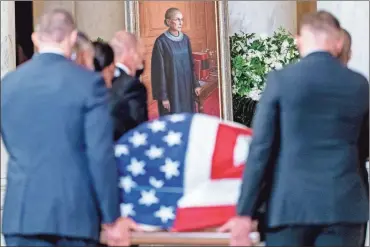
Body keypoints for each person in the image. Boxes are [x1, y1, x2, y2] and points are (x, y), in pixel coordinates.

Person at [219, 11, 369, 246]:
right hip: (343, 206)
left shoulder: (281, 80)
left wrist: (244, 213)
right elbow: (363, 149)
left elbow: (261, 150)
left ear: (299, 41)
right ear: (339, 42)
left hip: (289, 207)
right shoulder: (359, 85)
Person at [1, 8, 138, 246]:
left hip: (21, 217)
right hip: (74, 217)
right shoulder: (88, 83)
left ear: (35, 38)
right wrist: (111, 217)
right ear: (73, 38)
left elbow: (11, 141)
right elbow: (99, 154)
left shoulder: (8, 84)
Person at [151, 7, 201, 116]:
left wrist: (196, 84)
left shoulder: (186, 39)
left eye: (181, 19)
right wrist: (163, 97)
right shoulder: (161, 42)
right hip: (172, 90)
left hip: (186, 89)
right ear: (168, 22)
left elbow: (191, 64)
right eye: (177, 19)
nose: (181, 22)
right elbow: (158, 72)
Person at [109, 31, 148, 141]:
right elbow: (138, 130)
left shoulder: (101, 76)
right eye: (140, 54)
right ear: (131, 52)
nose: (141, 60)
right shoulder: (132, 86)